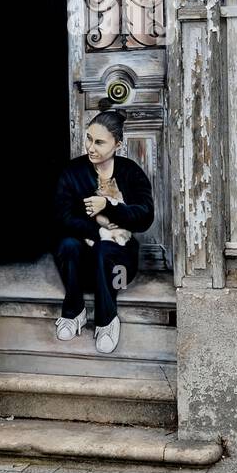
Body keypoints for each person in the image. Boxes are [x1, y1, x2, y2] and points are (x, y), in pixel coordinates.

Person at [52, 110, 154, 354]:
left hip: (118, 267)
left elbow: (145, 217)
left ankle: (107, 321)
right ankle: (74, 311)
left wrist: (108, 206)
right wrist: (96, 230)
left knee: (107, 250)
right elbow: (61, 217)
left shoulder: (130, 172)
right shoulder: (72, 172)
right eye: (89, 139)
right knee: (67, 245)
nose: (91, 147)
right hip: (83, 264)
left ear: (117, 144)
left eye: (99, 142)